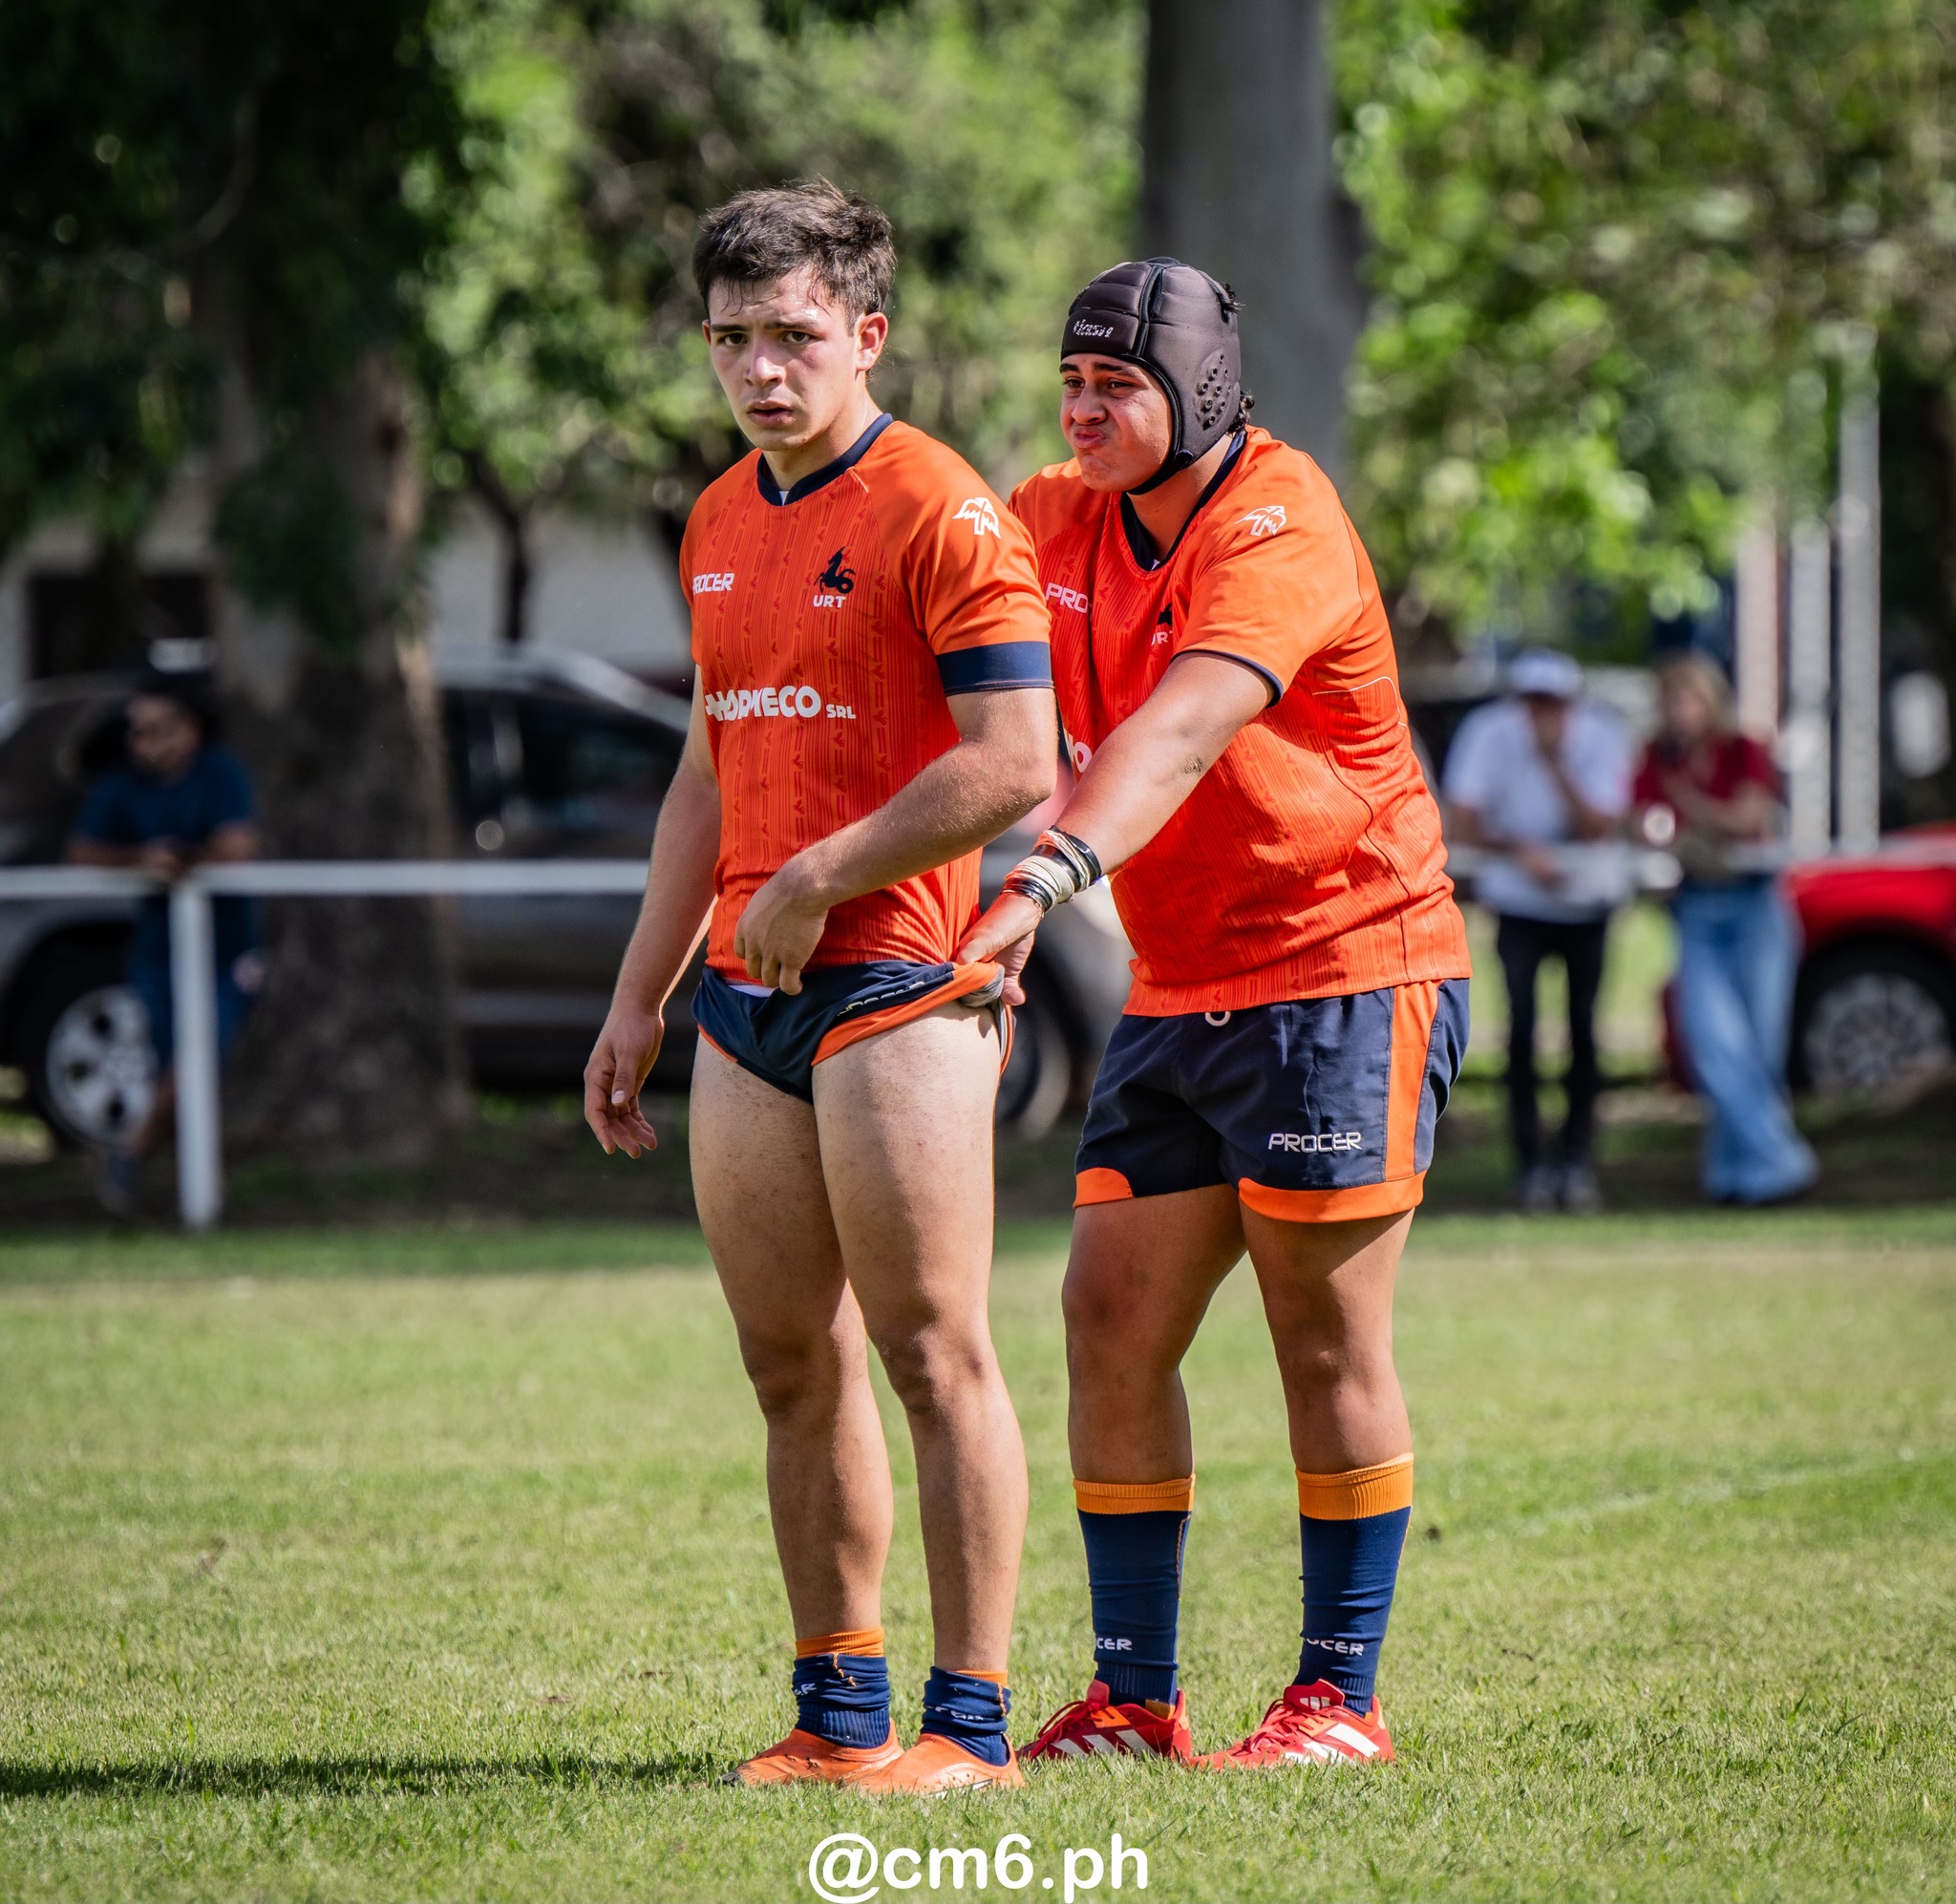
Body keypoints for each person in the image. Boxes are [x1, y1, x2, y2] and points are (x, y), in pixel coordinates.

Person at [960, 259, 1471, 1771]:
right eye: (1072, 382)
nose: (1083, 410)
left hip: (1347, 963)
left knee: (1320, 1330)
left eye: (1117, 385)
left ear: (1204, 396)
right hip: (1184, 984)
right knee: (1109, 1317)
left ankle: (1339, 1699)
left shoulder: (1280, 515)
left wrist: (1039, 877)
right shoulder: (1050, 514)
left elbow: (1180, 727)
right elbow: (949, 667)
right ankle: (1134, 1698)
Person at [582, 181, 1056, 1793]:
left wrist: (819, 875)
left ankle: (969, 1726)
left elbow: (1014, 761)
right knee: (791, 1360)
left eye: (791, 336)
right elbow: (706, 777)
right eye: (730, 339)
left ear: (866, 333)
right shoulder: (720, 517)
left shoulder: (939, 504)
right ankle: (837, 1713)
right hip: (742, 999)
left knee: (932, 1351)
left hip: (901, 983)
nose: (759, 369)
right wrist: (640, 990)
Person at [1443, 649, 1633, 1213]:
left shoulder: (1601, 736)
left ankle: (1577, 1160)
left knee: (1583, 1031)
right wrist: (1519, 850)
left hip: (1587, 902)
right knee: (1521, 1032)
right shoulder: (1488, 732)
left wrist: (1555, 765)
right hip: (1519, 902)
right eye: (1532, 702)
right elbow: (1466, 820)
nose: (1540, 714)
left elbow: (1599, 824)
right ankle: (1529, 1162)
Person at [67, 675, 261, 1214]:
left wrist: (185, 862)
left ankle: (132, 1150)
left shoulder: (219, 773)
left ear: (191, 728)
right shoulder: (122, 785)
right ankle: (174, 1176)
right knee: (174, 1058)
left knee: (202, 1055)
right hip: (157, 949)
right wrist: (140, 861)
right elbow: (83, 851)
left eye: (160, 728)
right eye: (138, 731)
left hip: (227, 947)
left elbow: (236, 848)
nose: (147, 741)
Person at [1633, 652, 1818, 1205]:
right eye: (1668, 701)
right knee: (1714, 1045)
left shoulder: (1744, 749)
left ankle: (1740, 1179)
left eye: (1685, 698)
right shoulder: (1652, 756)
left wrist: (1689, 804)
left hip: (1755, 906)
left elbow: (1749, 818)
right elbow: (1638, 823)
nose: (1676, 711)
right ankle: (1782, 1164)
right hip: (1697, 907)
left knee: (1759, 1048)